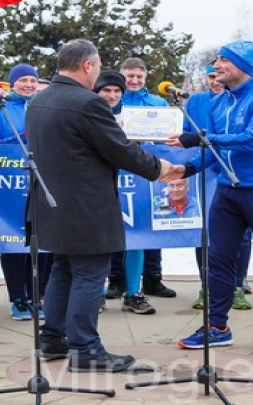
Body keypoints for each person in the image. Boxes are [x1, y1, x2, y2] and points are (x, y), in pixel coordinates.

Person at [28, 39, 173, 373]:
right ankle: (85, 350)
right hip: (86, 206)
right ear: (87, 65)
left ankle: (52, 338)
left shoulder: (38, 100)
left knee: (64, 269)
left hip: (51, 204)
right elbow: (120, 149)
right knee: (89, 274)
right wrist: (159, 167)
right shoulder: (88, 103)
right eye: (97, 67)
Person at [165, 40, 253, 356]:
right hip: (227, 190)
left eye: (224, 60)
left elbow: (252, 141)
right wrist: (187, 169)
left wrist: (199, 139)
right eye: (216, 60)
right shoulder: (220, 102)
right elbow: (216, 150)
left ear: (243, 66)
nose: (216, 65)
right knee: (218, 259)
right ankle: (217, 327)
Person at [0, 62, 52, 320]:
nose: (29, 85)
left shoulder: (44, 106)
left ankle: (38, 295)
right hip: (9, 183)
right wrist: (17, 139)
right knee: (13, 240)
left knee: (42, 240)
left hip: (41, 179)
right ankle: (18, 298)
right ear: (12, 84)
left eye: (33, 80)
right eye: (23, 80)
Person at [184, 64, 253, 311]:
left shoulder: (241, 100)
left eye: (219, 76)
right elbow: (186, 135)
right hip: (203, 170)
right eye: (211, 76)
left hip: (234, 171)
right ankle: (207, 286)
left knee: (241, 233)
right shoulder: (195, 102)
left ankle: (236, 286)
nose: (216, 81)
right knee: (203, 230)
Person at [93, 70, 156, 316]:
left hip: (132, 184)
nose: (112, 95)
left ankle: (133, 294)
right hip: (99, 185)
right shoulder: (89, 112)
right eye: (106, 90)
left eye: (117, 91)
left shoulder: (133, 116)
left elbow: (149, 145)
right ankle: (97, 294)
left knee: (136, 238)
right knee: (100, 241)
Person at [115, 57, 176, 299]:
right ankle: (116, 279)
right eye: (130, 76)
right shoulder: (113, 100)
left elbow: (168, 135)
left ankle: (153, 277)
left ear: (145, 78)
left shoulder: (157, 103)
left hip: (149, 171)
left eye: (139, 76)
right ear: (122, 76)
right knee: (117, 226)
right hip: (120, 172)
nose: (134, 80)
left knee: (151, 224)